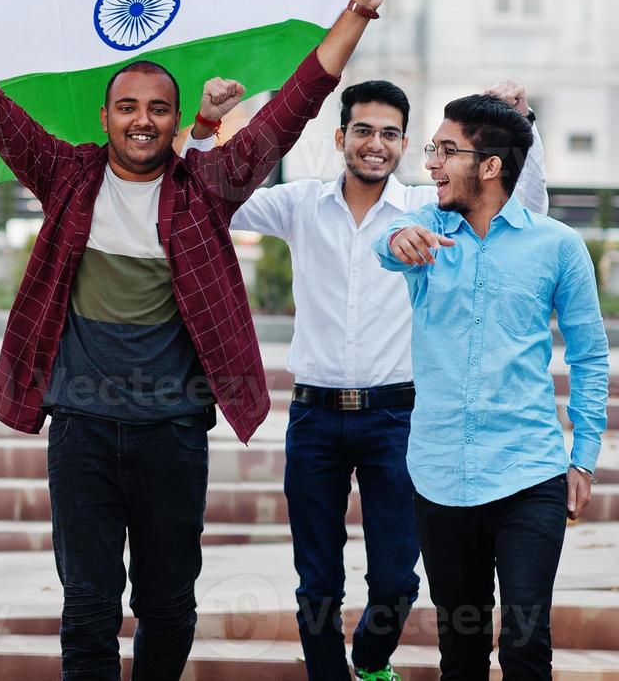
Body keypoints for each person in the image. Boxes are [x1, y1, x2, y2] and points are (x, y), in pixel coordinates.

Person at [0, 0, 391, 679]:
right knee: (87, 606)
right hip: (82, 430)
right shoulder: (65, 177)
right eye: (126, 106)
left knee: (167, 607)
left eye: (158, 108)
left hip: (172, 432)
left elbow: (293, 105)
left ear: (174, 116)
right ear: (104, 117)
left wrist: (355, 12)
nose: (142, 120)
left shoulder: (205, 188)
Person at [181, 78, 547, 681]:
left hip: (399, 419)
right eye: (363, 131)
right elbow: (208, 195)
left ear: (404, 145)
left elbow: (524, 210)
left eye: (389, 134)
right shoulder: (301, 204)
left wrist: (518, 121)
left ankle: (371, 662)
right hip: (315, 419)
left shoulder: (430, 214)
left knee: (399, 577)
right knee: (317, 578)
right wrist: (202, 130)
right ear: (340, 137)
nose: (375, 144)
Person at [372, 94, 608, 681]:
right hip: (440, 474)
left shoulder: (558, 246)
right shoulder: (425, 230)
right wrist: (396, 241)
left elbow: (590, 354)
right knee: (462, 649)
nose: (431, 163)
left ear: (491, 166)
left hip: (529, 472)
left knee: (527, 643)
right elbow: (388, 241)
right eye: (432, 148)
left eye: (446, 151)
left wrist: (583, 459)